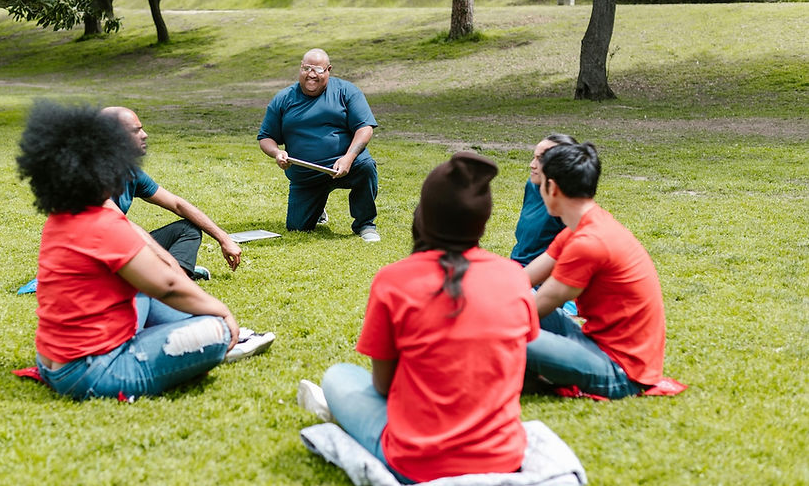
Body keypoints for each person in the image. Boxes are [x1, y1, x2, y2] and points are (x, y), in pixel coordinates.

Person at [297, 152, 539, 483]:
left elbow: (382, 384)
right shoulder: (514, 277)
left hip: (417, 460)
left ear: (424, 215)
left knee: (339, 377)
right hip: (502, 456)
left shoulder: (395, 281)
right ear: (483, 220)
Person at [16, 102, 271, 400]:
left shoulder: (63, 215)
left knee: (144, 293)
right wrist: (222, 312)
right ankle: (211, 343)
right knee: (217, 331)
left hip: (53, 363)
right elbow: (167, 285)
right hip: (93, 372)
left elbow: (157, 278)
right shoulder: (102, 223)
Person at [523, 142, 666, 399]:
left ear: (552, 187)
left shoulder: (588, 242)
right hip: (594, 345)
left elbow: (537, 307)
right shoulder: (584, 225)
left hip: (621, 372)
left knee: (502, 334)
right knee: (506, 312)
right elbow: (523, 280)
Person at [101, 106, 242, 281]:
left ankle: (176, 277)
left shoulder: (129, 172)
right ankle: (173, 278)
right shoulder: (87, 175)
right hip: (95, 258)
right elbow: (124, 227)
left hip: (120, 248)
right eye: (136, 131)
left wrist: (223, 238)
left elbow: (177, 204)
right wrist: (169, 261)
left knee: (188, 229)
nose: (144, 135)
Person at [257, 48, 381, 242]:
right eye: (307, 68)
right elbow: (265, 137)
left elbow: (365, 128)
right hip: (306, 174)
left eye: (318, 69)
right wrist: (276, 153)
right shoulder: (283, 98)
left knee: (365, 166)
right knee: (298, 228)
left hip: (344, 165)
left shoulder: (346, 91)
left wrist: (348, 158)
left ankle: (365, 224)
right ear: (300, 68)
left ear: (329, 69)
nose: (311, 74)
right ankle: (317, 207)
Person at [510, 134, 577, 267]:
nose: (532, 165)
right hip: (516, 268)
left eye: (540, 160)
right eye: (534, 157)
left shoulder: (570, 202)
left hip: (539, 279)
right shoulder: (533, 185)